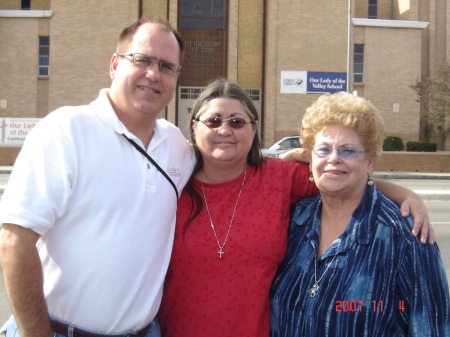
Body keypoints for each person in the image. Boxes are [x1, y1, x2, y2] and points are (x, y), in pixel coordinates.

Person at [159, 79, 434, 337]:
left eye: (237, 121)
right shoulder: (171, 183)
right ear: (194, 127)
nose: (225, 130)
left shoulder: (279, 177)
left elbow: (341, 176)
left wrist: (404, 193)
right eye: (213, 121)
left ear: (254, 129)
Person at [0, 17, 195, 337]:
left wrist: (295, 158)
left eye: (167, 66)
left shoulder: (176, 147)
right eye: (143, 60)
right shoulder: (67, 130)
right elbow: (14, 241)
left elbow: (225, 166)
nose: (153, 74)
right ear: (115, 65)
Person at [270, 92, 450, 337]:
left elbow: (431, 326)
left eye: (349, 151)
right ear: (309, 158)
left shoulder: (405, 234)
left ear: (370, 162)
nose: (334, 158)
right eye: (324, 149)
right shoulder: (293, 220)